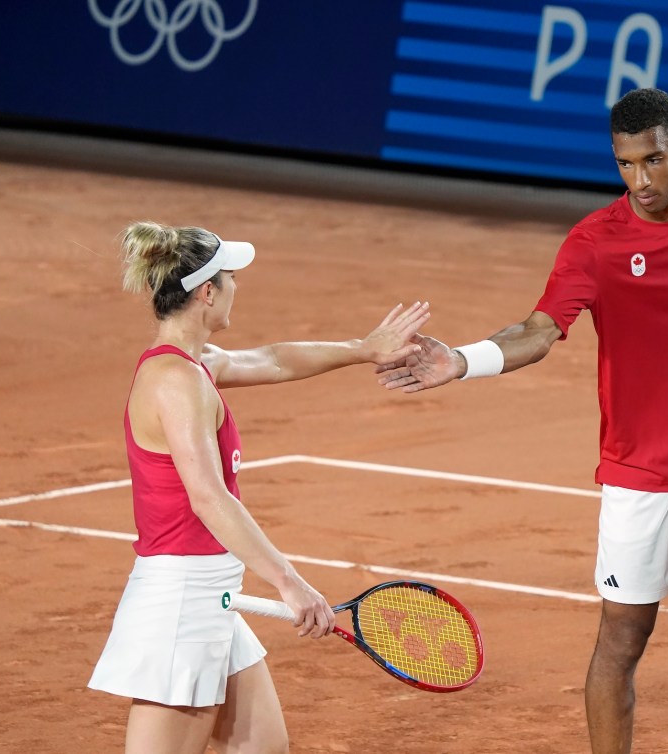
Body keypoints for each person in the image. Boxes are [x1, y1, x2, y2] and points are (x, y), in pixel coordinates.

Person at [377, 88, 668, 754]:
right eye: (624, 164)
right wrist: (461, 360)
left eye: (652, 160)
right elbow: (538, 330)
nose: (639, 179)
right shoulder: (596, 243)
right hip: (642, 474)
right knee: (622, 639)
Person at [89, 221, 429, 754]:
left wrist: (363, 349)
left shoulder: (193, 365)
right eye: (230, 278)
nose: (235, 288)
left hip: (211, 595)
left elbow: (272, 359)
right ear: (207, 292)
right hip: (182, 602)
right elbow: (208, 497)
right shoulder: (175, 382)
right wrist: (288, 581)